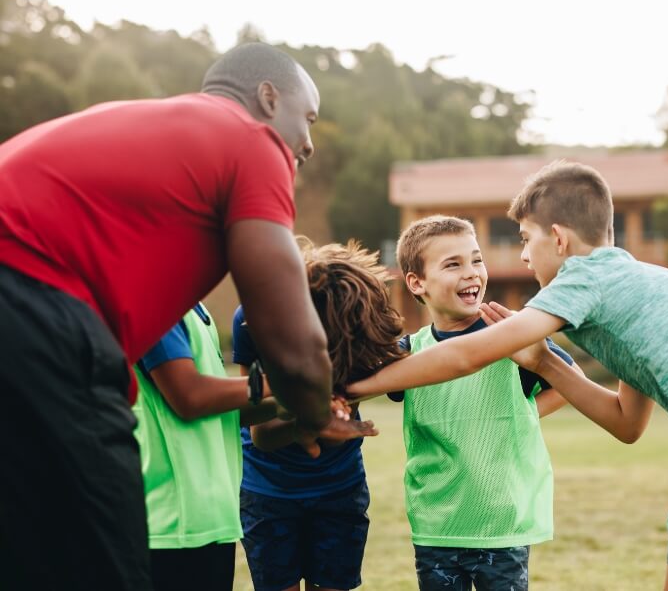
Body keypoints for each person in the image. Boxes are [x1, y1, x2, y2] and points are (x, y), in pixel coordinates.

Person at [349, 162, 668, 591]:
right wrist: (544, 364)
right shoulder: (635, 293)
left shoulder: (585, 277)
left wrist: (354, 386)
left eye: (524, 240)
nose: (521, 258)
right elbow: (626, 424)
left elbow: (464, 356)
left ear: (557, 239)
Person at [0, 42, 333, 590]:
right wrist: (316, 410)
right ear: (269, 98)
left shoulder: (153, 132)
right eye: (309, 118)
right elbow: (293, 343)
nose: (309, 143)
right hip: (33, 306)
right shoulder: (251, 141)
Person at [376, 215, 574, 591]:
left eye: (476, 260)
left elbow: (570, 382)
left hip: (502, 528)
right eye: (453, 264)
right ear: (417, 282)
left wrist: (525, 413)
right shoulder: (409, 352)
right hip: (437, 529)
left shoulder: (511, 339)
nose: (471, 273)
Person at [234, 239, 406, 591]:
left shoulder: (358, 324)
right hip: (267, 488)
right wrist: (309, 420)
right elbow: (260, 432)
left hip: (339, 485)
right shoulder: (255, 319)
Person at [134, 301, 283, 591]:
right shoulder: (153, 303)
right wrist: (289, 381)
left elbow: (223, 409)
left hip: (211, 518)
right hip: (172, 523)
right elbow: (189, 397)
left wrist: (302, 402)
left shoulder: (194, 308)